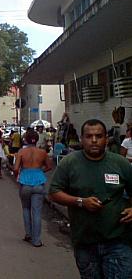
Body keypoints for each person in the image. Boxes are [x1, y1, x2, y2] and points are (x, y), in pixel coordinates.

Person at [49, 119, 132, 278]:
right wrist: (81, 202)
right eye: (89, 136)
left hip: (118, 241)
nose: (94, 140)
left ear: (106, 139)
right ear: (81, 139)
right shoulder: (70, 163)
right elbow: (54, 192)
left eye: (99, 136)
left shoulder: (120, 164)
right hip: (85, 242)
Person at [14, 129, 52, 247]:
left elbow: (15, 169)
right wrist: (39, 171)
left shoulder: (21, 152)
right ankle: (37, 240)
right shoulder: (42, 153)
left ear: (25, 139)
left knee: (26, 208)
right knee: (37, 212)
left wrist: (18, 177)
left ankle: (28, 234)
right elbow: (49, 167)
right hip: (39, 183)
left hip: (25, 182)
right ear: (36, 140)